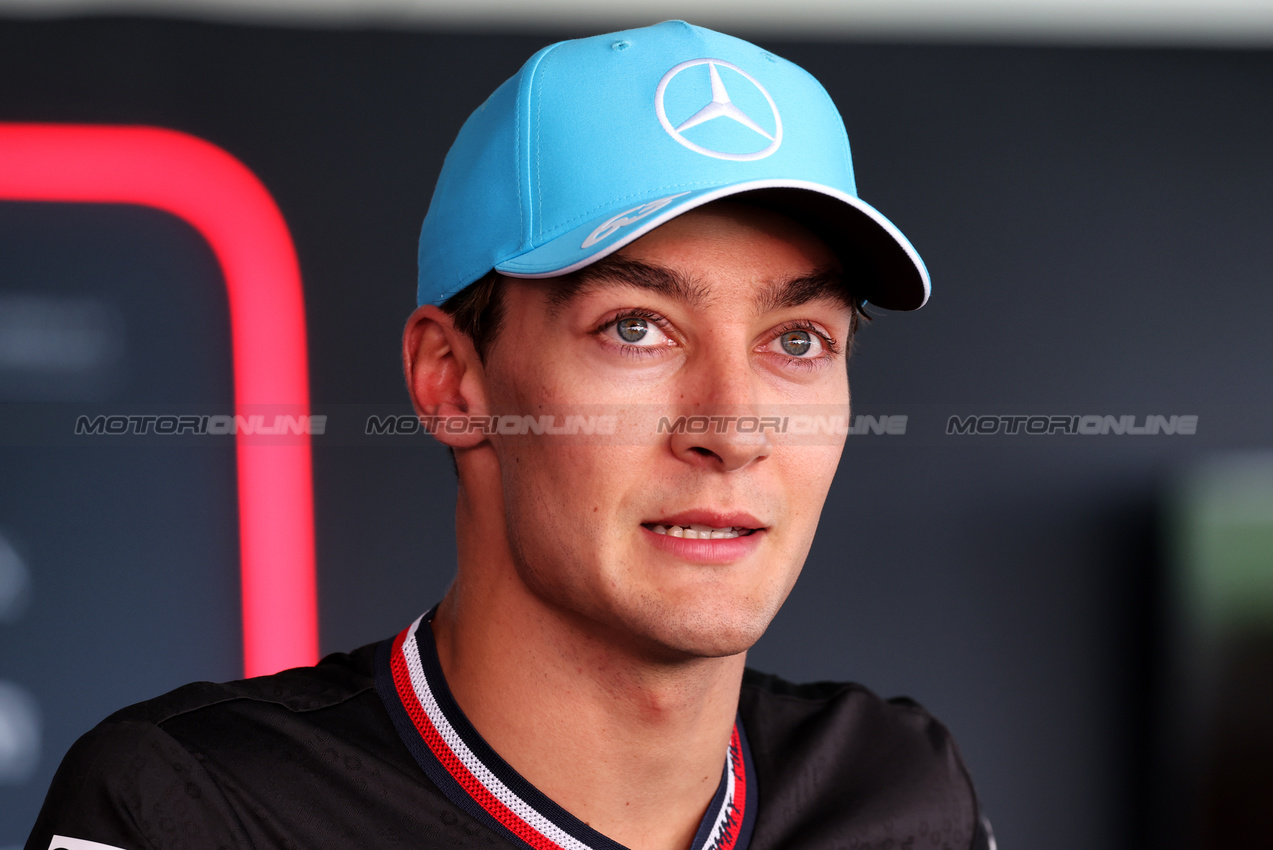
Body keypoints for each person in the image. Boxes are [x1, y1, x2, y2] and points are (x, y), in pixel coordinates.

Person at [28, 21, 992, 850]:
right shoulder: (192, 809)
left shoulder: (898, 790)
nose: (731, 430)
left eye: (796, 339)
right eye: (635, 329)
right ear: (452, 381)